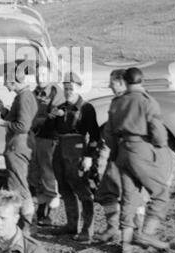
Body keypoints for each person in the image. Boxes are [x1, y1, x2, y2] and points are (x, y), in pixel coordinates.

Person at [104, 66, 173, 253]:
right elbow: (158, 132)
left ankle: (126, 243)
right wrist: (158, 145)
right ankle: (147, 234)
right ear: (142, 81)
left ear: (125, 81)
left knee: (128, 196)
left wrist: (116, 151)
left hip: (121, 152)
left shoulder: (117, 102)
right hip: (140, 149)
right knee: (160, 192)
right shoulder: (147, 101)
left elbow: (108, 132)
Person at [93, 69, 144, 243]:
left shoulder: (127, 101)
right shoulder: (124, 100)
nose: (109, 86)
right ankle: (116, 228)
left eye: (112, 83)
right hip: (123, 151)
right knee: (112, 190)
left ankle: (133, 230)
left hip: (125, 152)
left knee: (126, 192)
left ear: (122, 82)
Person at [49, 75, 101, 239]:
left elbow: (94, 135)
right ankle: (72, 225)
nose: (68, 92)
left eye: (71, 88)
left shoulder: (86, 108)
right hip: (60, 150)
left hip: (77, 151)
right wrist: (53, 117)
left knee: (82, 190)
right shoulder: (60, 107)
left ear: (79, 88)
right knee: (64, 188)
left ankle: (87, 230)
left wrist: (89, 157)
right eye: (65, 88)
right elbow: (52, 131)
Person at [0, 69, 37, 227]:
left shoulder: (23, 97)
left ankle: (28, 225)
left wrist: (0, 122)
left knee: (19, 187)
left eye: (6, 82)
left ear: (13, 82)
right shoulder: (24, 96)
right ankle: (28, 223)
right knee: (20, 184)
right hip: (17, 146)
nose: (5, 86)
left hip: (17, 146)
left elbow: (22, 125)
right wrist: (3, 111)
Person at [29, 65, 63, 226]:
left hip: (49, 140)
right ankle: (41, 212)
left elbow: (54, 118)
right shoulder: (33, 94)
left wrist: (38, 120)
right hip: (35, 138)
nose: (40, 77)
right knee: (36, 175)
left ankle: (51, 214)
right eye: (37, 74)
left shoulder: (56, 94)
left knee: (49, 175)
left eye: (43, 74)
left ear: (50, 75)